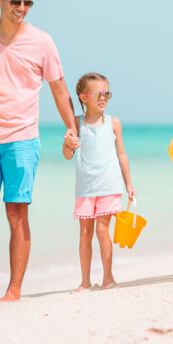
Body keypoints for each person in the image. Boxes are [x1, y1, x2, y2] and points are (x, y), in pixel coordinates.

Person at [0, 0, 78, 303]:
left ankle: (14, 290)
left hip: (22, 139)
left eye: (28, 2)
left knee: (17, 213)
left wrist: (72, 128)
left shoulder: (43, 42)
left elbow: (58, 89)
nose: (22, 8)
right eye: (16, 2)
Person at [62, 73, 136, 291]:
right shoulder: (76, 123)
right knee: (85, 233)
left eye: (107, 93)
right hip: (85, 188)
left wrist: (129, 184)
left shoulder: (114, 123)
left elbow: (122, 154)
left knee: (103, 230)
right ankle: (85, 281)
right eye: (98, 94)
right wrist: (68, 144)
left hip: (109, 185)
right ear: (84, 98)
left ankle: (108, 277)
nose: (103, 98)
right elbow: (67, 155)